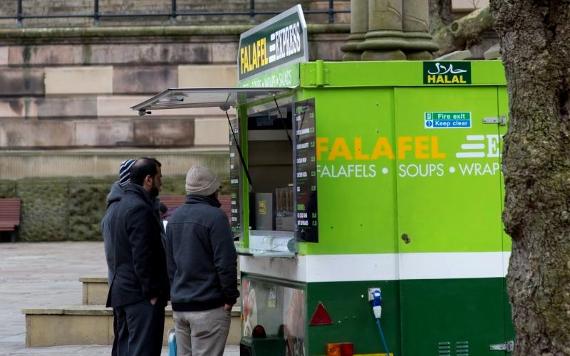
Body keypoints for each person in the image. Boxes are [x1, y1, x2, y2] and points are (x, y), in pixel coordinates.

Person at [165, 166, 239, 356]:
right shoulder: (216, 218)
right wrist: (230, 297)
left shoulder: (174, 218)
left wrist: (176, 295)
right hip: (208, 306)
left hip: (181, 306)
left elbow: (170, 265)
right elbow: (225, 262)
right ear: (211, 190)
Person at [106, 157, 170, 356]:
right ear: (148, 180)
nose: (162, 182)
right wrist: (152, 293)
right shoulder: (139, 208)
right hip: (139, 296)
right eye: (159, 177)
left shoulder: (119, 206)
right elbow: (143, 255)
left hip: (123, 292)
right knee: (143, 350)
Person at [101, 158, 136, 356]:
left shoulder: (116, 206)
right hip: (128, 289)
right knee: (127, 342)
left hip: (121, 286)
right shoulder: (126, 208)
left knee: (124, 341)